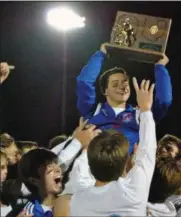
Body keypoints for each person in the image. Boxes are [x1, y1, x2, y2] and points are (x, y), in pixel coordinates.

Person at [55, 78, 157, 216]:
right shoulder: (135, 192)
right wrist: (145, 110)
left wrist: (83, 146)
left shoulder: (77, 199)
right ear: (126, 161)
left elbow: (80, 172)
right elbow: (148, 149)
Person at [76, 43, 172, 154]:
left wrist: (160, 68)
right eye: (115, 84)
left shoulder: (141, 115)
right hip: (93, 168)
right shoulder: (92, 111)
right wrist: (100, 54)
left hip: (126, 169)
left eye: (125, 83)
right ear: (105, 91)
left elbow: (164, 101)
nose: (122, 87)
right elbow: (84, 82)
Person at [16, 148, 63, 217]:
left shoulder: (72, 199)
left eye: (57, 165)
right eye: (50, 168)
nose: (58, 169)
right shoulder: (31, 213)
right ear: (34, 180)